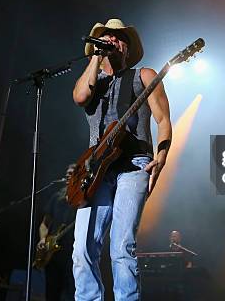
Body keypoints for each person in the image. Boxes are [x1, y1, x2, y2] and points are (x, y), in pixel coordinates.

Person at [69, 18, 172, 301]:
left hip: (134, 164)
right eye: (107, 36)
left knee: (121, 245)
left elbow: (163, 120)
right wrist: (96, 57)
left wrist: (161, 156)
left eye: (119, 37)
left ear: (128, 48)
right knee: (82, 248)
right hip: (95, 171)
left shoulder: (144, 76)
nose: (113, 40)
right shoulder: (92, 83)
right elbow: (80, 97)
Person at [38, 188, 77, 301]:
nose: (69, 173)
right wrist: (42, 240)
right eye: (68, 171)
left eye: (73, 170)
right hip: (52, 256)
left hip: (72, 256)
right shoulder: (56, 197)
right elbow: (44, 224)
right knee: (51, 294)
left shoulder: (83, 199)